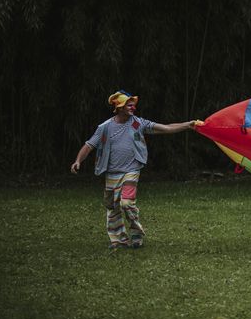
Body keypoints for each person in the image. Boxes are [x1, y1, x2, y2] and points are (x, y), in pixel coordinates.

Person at [71, 90, 201, 249]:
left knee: (126, 203)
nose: (133, 107)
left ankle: (136, 234)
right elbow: (89, 145)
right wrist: (78, 161)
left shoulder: (137, 123)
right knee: (113, 208)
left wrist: (188, 125)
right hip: (111, 173)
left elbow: (165, 128)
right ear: (119, 107)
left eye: (133, 104)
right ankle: (119, 240)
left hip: (131, 170)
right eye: (128, 104)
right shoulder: (105, 127)